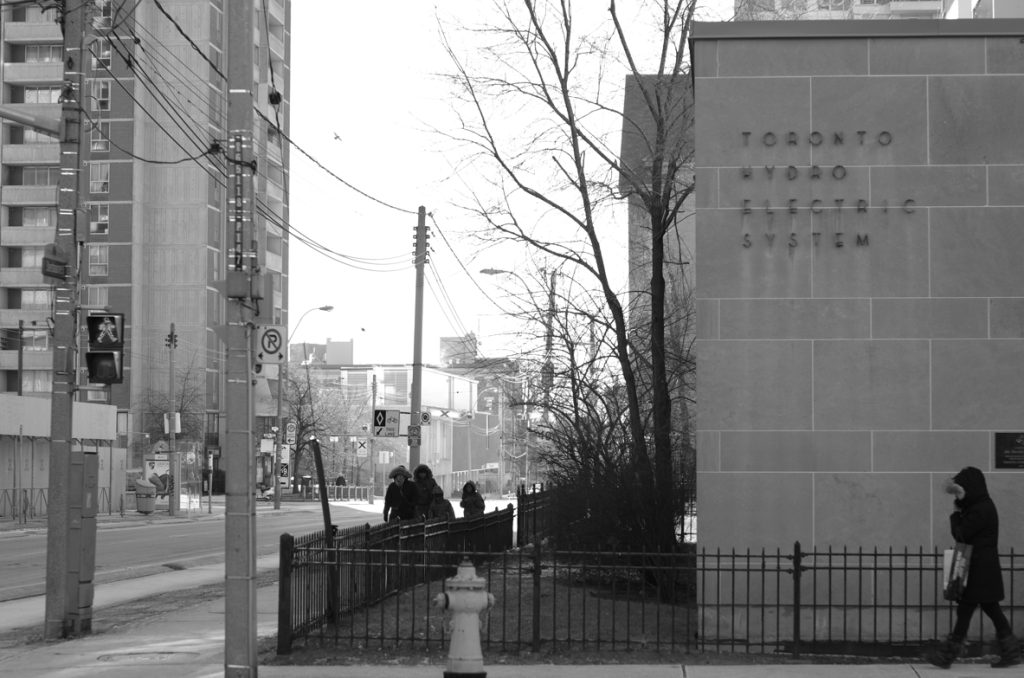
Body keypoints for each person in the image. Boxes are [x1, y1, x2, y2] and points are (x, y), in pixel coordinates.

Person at [928, 466, 1020, 669]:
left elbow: (961, 534)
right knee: (988, 608)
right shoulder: (980, 505)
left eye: (962, 490)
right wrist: (961, 507)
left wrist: (955, 515)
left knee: (968, 608)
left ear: (972, 488)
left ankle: (948, 655)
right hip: (980, 567)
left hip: (980, 569)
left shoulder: (981, 509)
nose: (960, 494)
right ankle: (1010, 651)